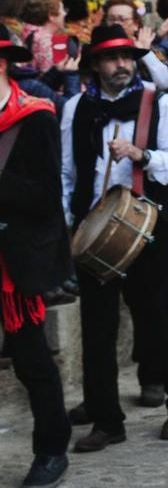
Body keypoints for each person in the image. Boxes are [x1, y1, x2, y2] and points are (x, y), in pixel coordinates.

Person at [62, 25, 168, 449]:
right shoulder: (73, 109)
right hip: (95, 232)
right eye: (110, 58)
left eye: (126, 56)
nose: (121, 64)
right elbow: (67, 173)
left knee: (164, 315)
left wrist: (143, 155)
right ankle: (106, 420)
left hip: (147, 226)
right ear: (95, 65)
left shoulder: (158, 102)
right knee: (97, 327)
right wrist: (73, 226)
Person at [0, 27, 72, 486]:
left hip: (14, 264)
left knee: (32, 363)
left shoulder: (36, 116)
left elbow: (47, 197)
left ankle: (51, 449)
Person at [103, 0, 168, 90]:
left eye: (122, 19)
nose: (116, 24)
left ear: (136, 24)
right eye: (111, 19)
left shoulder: (151, 48)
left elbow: (164, 83)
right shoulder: (101, 50)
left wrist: (145, 53)